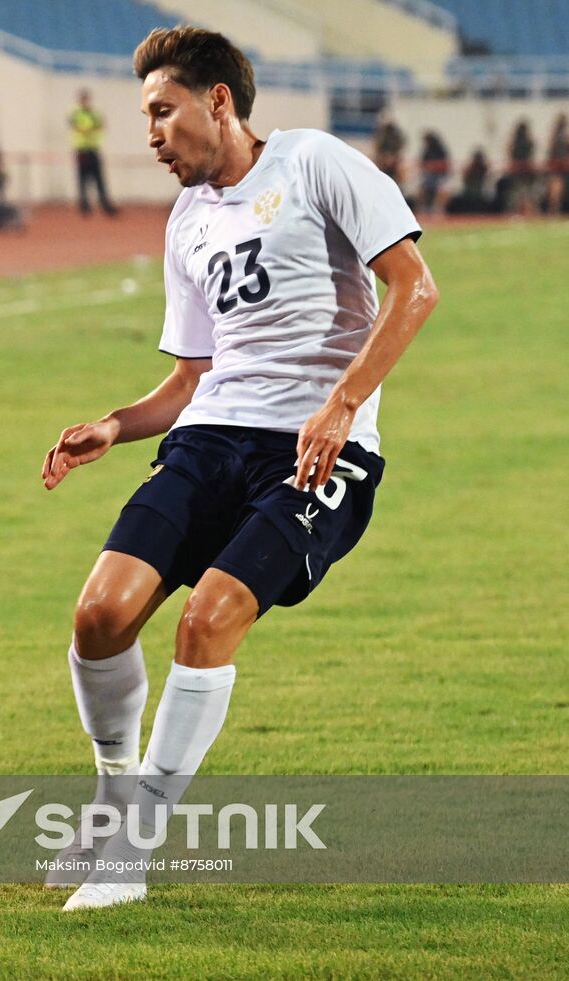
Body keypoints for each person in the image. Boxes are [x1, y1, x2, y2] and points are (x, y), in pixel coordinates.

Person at [41, 26, 437, 911]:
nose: (148, 132)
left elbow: (416, 286)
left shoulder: (316, 163)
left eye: (160, 109)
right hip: (210, 437)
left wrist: (341, 402)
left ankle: (132, 852)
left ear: (217, 100)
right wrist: (115, 423)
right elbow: (190, 379)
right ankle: (113, 797)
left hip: (315, 451)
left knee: (207, 621)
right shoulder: (187, 219)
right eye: (143, 115)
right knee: (100, 614)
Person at [69, 89, 117, 217]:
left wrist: (88, 129)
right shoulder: (76, 114)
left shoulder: (94, 114)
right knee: (82, 181)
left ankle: (105, 205)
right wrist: (89, 129)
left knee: (99, 180)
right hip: (81, 150)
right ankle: (84, 207)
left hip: (93, 149)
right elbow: (76, 127)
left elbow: (101, 125)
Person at [506, 120, 537, 217]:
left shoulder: (516, 141)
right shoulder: (527, 141)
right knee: (523, 193)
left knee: (519, 193)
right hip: (523, 170)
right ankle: (522, 211)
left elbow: (509, 151)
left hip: (521, 170)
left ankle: (520, 211)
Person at [416, 130, 451, 216]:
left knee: (442, 189)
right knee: (421, 189)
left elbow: (445, 164)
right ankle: (422, 208)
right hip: (428, 176)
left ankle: (438, 209)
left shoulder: (441, 149)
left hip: (440, 175)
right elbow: (422, 163)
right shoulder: (427, 150)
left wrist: (434, 166)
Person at [547, 113, 569, 215]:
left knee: (556, 190)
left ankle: (555, 209)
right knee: (556, 190)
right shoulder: (558, 135)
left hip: (561, 165)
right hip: (558, 165)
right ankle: (555, 210)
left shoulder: (558, 135)